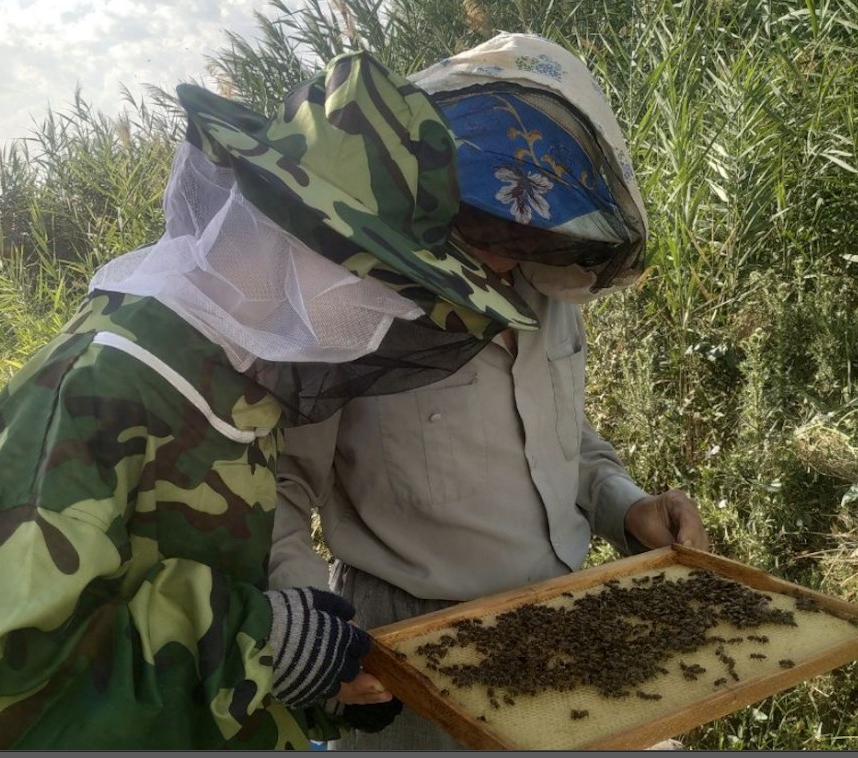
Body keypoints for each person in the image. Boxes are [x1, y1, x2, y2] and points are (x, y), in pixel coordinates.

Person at [0, 49, 550, 749]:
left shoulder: (228, 365)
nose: (388, 316)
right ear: (298, 240)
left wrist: (311, 679)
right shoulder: (97, 388)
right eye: (385, 283)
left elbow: (188, 594)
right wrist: (261, 643)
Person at [269, 32, 710, 750]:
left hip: (564, 621)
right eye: (493, 224)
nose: (511, 250)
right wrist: (318, 629)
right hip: (410, 648)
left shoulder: (549, 293)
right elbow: (279, 482)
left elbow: (565, 440)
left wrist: (630, 509)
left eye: (530, 226)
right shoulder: (353, 310)